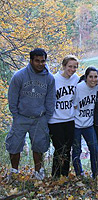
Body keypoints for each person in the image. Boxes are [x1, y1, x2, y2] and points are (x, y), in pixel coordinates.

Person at [5, 48, 56, 180]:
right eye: (37, 61)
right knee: (14, 145)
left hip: (39, 118)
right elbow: (12, 97)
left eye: (43, 61)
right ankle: (14, 171)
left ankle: (38, 172)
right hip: (21, 117)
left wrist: (47, 116)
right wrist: (16, 115)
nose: (40, 64)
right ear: (31, 60)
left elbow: (51, 99)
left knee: (39, 145)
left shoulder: (49, 78)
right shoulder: (19, 76)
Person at [48, 55, 79, 178]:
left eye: (75, 67)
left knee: (67, 149)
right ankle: (55, 175)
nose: (72, 69)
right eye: (70, 66)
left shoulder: (76, 79)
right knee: (59, 148)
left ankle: (64, 175)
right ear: (64, 66)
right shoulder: (54, 80)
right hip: (55, 120)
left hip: (70, 119)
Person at [72, 67, 98, 178]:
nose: (93, 79)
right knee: (76, 151)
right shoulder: (78, 88)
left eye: (95, 77)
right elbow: (72, 105)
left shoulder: (97, 86)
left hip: (89, 125)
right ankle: (79, 174)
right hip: (76, 125)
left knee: (95, 149)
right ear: (86, 77)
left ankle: (96, 174)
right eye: (91, 77)